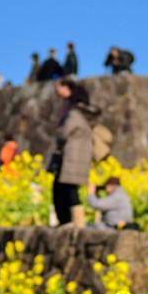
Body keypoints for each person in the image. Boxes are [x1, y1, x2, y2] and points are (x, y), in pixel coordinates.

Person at [50, 79, 97, 226]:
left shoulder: (73, 112)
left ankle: (69, 223)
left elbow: (64, 133)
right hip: (81, 157)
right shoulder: (85, 111)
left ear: (67, 88)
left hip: (71, 156)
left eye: (58, 88)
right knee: (71, 190)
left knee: (62, 190)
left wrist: (58, 132)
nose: (56, 91)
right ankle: (77, 223)